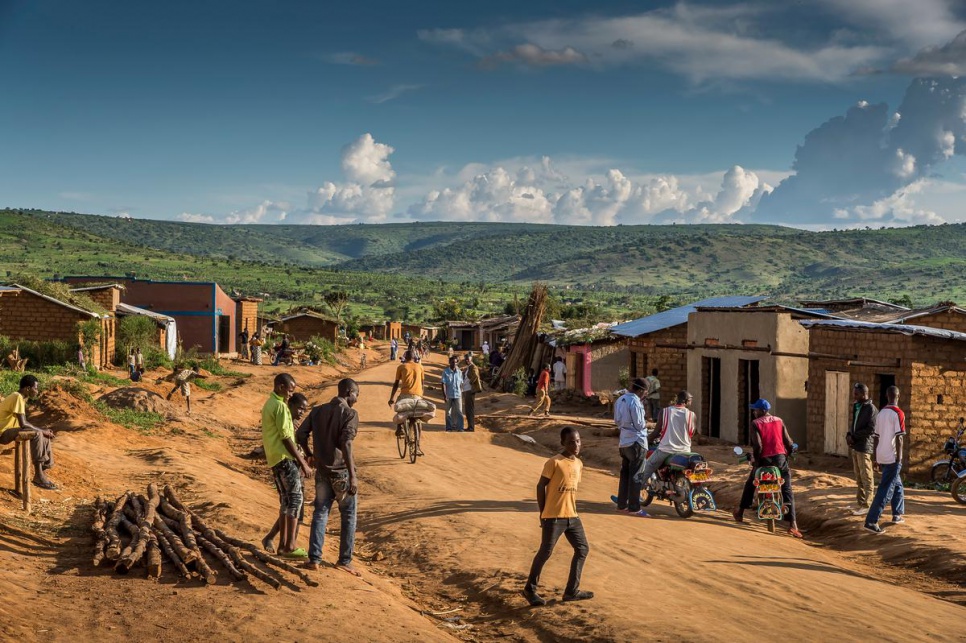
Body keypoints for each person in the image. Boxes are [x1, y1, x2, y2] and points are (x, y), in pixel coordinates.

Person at [523, 427, 593, 606]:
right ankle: (529, 590)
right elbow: (541, 486)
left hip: (572, 516)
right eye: (570, 442)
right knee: (545, 552)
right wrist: (543, 513)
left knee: (582, 549)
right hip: (553, 517)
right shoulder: (554, 462)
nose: (575, 445)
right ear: (562, 443)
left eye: (577, 441)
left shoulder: (578, 464)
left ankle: (571, 591)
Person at [298, 378, 361, 576]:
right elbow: (347, 444)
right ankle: (344, 560)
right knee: (348, 515)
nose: (356, 399)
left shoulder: (317, 411)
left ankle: (314, 559)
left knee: (320, 512)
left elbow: (300, 434)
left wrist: (310, 454)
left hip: (322, 472)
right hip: (341, 472)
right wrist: (353, 476)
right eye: (356, 395)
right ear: (349, 392)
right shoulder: (350, 413)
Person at [732, 399, 803, 538]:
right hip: (780, 459)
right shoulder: (779, 420)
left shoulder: (755, 424)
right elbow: (788, 442)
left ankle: (740, 512)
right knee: (787, 488)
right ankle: (793, 525)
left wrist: (756, 461)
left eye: (756, 410)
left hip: (764, 460)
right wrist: (788, 453)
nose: (754, 412)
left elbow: (758, 446)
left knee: (751, 483)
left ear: (762, 411)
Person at [262, 373, 312, 559]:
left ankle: (283, 545)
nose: (291, 394)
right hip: (285, 458)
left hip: (275, 459)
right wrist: (303, 463)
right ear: (281, 387)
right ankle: (289, 546)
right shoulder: (281, 406)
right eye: (290, 391)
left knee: (286, 501)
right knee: (295, 501)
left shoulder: (270, 404)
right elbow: (286, 438)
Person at [0, 375, 57, 489]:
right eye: (35, 388)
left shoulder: (21, 398)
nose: (37, 391)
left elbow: (24, 423)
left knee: (43, 435)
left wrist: (44, 431)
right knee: (37, 433)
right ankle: (38, 475)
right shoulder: (17, 397)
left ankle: (42, 471)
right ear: (27, 388)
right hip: (2, 433)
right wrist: (42, 431)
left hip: (8, 431)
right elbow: (23, 424)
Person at [865, 386, 906, 534]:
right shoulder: (898, 413)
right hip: (892, 456)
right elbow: (899, 437)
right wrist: (899, 458)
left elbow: (876, 437)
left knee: (897, 484)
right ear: (898, 396)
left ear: (886, 396)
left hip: (882, 455)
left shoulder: (881, 413)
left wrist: (876, 458)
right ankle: (871, 521)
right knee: (886, 489)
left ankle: (897, 514)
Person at [638, 390, 696, 484]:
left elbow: (657, 432)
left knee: (648, 466)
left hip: (666, 450)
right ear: (685, 401)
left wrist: (647, 440)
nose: (691, 403)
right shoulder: (691, 415)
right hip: (685, 451)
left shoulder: (665, 412)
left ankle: (633, 493)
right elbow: (691, 433)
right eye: (690, 401)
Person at [613, 378, 650, 516]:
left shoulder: (620, 399)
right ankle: (634, 507)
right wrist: (646, 425)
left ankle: (622, 505)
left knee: (625, 474)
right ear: (640, 390)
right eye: (645, 392)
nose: (645, 395)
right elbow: (640, 424)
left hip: (624, 442)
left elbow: (617, 421)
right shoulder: (635, 401)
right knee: (636, 475)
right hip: (637, 441)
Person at [848, 383, 878, 516]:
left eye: (856, 394)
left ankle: (868, 504)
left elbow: (871, 429)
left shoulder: (871, 409)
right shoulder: (856, 406)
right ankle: (860, 503)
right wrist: (849, 435)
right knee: (858, 476)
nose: (854, 396)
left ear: (864, 394)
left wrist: (854, 436)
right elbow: (853, 424)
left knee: (867, 476)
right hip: (855, 445)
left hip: (864, 446)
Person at [388, 349, 425, 452]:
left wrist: (391, 398)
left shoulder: (401, 367)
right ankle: (417, 446)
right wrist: (421, 395)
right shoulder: (421, 367)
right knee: (418, 420)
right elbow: (422, 384)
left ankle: (400, 427)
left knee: (399, 407)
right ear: (414, 357)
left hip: (405, 396)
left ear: (405, 357)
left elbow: (396, 384)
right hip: (418, 397)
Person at [442, 355, 465, 432]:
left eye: (456, 362)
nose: (454, 364)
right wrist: (445, 395)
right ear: (449, 362)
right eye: (452, 362)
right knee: (448, 412)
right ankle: (449, 428)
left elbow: (461, 383)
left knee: (459, 412)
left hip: (458, 395)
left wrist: (461, 392)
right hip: (449, 395)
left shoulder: (459, 372)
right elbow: (443, 384)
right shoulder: (445, 372)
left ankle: (460, 428)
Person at [462, 353, 482, 432]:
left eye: (468, 359)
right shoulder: (469, 367)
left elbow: (475, 376)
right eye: (466, 359)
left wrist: (470, 382)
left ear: (471, 359)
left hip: (470, 390)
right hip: (466, 390)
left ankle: (471, 427)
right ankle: (470, 426)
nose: (467, 360)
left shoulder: (473, 367)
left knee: (469, 409)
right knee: (467, 409)